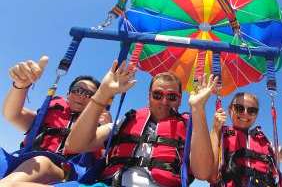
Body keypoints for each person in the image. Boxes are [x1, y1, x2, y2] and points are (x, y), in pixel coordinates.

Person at [64, 60, 218, 186]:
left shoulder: (189, 128)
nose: (164, 102)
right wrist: (103, 93)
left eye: (171, 97)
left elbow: (203, 173)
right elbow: (74, 145)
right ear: (149, 97)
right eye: (157, 95)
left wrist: (198, 109)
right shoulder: (127, 120)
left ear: (179, 100)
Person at [0, 56, 110, 186]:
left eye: (89, 94)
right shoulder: (48, 113)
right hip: (24, 160)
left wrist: (106, 128)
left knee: (43, 161)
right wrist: (20, 85)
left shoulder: (98, 127)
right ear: (68, 94)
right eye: (78, 90)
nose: (82, 95)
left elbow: (105, 160)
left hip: (64, 171)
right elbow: (13, 114)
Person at [208, 87, 282, 186]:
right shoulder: (219, 137)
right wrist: (215, 129)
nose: (245, 113)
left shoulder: (269, 148)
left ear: (256, 115)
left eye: (252, 110)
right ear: (230, 110)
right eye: (239, 108)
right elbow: (211, 176)